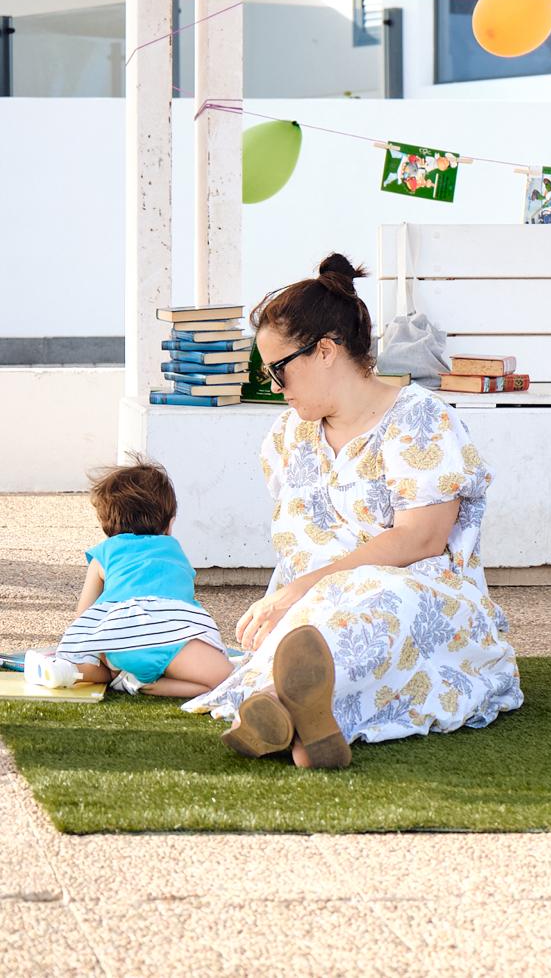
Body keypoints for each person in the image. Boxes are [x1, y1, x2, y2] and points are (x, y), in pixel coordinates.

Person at [184, 253, 522, 768]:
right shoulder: (286, 438)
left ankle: (283, 708)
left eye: (278, 370)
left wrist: (302, 589)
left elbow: (421, 540)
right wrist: (294, 596)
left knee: (373, 607)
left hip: (417, 592)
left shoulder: (422, 420)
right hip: (318, 606)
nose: (275, 388)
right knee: (314, 628)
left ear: (324, 350)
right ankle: (302, 716)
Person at [44, 459, 233, 697]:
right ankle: (151, 685)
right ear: (170, 523)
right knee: (229, 680)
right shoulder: (174, 550)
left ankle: (98, 673)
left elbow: (83, 615)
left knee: (94, 664)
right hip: (173, 639)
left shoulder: (104, 553)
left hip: (119, 640)